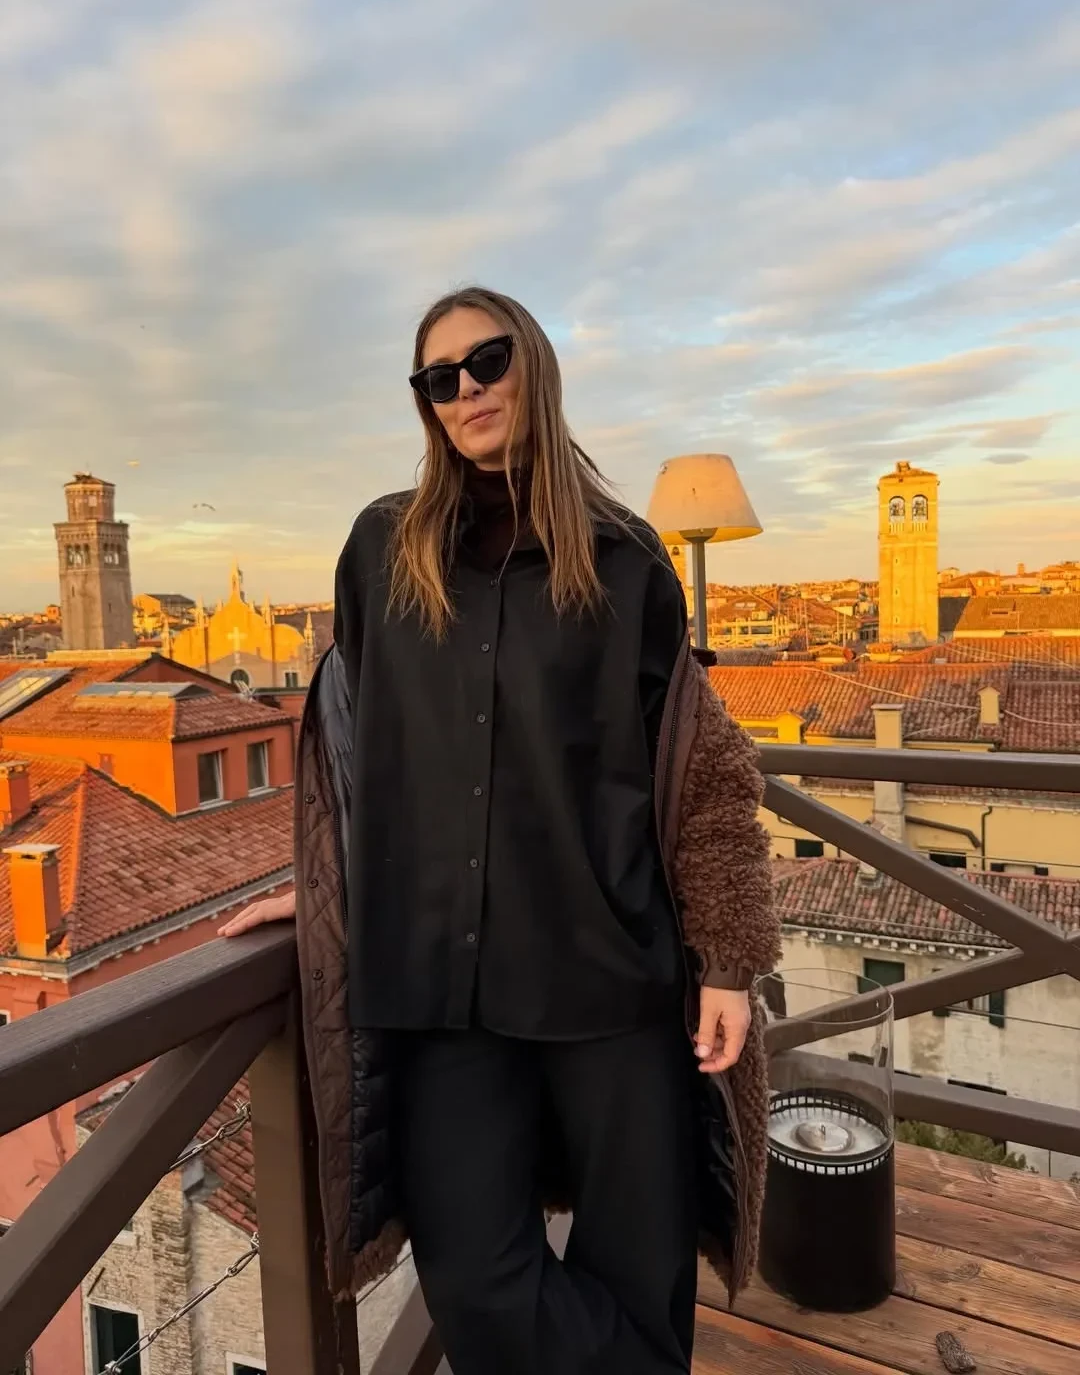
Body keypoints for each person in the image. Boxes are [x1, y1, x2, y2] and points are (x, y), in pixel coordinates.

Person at [221, 286, 781, 1375]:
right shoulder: (381, 551)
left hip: (609, 973)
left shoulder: (627, 560)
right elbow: (360, 759)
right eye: (439, 379)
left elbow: (705, 770)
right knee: (474, 1279)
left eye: (487, 361)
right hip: (446, 988)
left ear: (534, 364)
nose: (467, 390)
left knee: (643, 1270)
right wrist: (327, 885)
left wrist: (727, 960)